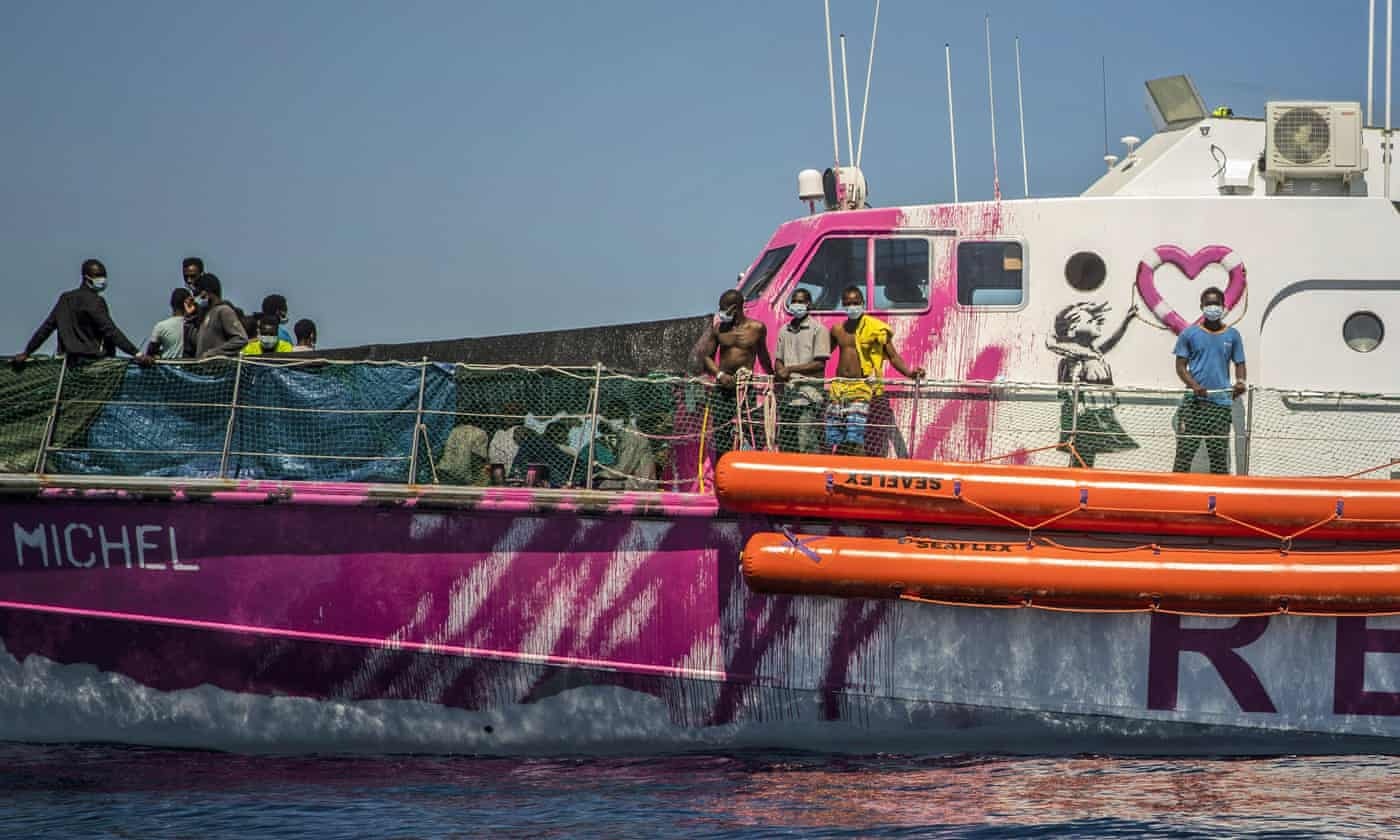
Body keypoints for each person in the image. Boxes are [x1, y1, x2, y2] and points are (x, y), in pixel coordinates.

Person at [827, 285, 923, 455]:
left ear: (863, 303)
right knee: (835, 436)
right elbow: (823, 355)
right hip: (838, 388)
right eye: (848, 303)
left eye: (856, 303)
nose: (852, 307)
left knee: (854, 435)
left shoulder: (875, 328)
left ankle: (857, 470)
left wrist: (909, 373)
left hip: (861, 388)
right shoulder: (837, 330)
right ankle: (840, 468)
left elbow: (893, 356)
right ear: (843, 304)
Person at [1047, 301, 1139, 467]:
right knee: (1082, 452)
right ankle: (1077, 484)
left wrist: (1126, 321)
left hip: (1098, 411)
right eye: (1090, 321)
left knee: (1087, 454)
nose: (1096, 323)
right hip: (1084, 414)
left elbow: (1112, 341)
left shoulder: (1093, 353)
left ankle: (1081, 482)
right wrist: (1078, 403)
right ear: (1073, 329)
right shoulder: (1076, 356)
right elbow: (1070, 383)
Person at [13, 259, 152, 367]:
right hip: (92, 363)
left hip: (66, 366)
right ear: (86, 277)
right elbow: (110, 330)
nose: (102, 280)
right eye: (98, 276)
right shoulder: (95, 301)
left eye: (104, 276)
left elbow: (46, 329)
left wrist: (27, 352)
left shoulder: (65, 299)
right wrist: (137, 353)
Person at [1171, 286, 1247, 474]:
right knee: (1184, 455)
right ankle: (1175, 496)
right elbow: (1180, 367)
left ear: (1223, 306)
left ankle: (1218, 499)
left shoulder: (1233, 335)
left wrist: (1240, 382)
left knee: (1219, 459)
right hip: (1194, 404)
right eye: (1208, 303)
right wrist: (1195, 386)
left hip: (1220, 405)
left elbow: (1240, 363)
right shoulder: (1189, 334)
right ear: (1201, 306)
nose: (1212, 307)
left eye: (1216, 303)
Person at [695, 289, 773, 455]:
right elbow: (707, 357)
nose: (720, 312)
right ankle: (722, 466)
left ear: (735, 308)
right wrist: (720, 375)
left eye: (723, 308)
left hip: (745, 389)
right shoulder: (718, 329)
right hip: (722, 389)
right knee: (721, 431)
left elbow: (764, 357)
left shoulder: (757, 328)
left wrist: (774, 378)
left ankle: (748, 470)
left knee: (747, 429)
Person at [774, 288, 830, 453]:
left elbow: (819, 364)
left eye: (800, 302)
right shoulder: (784, 330)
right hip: (788, 397)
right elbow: (778, 359)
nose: (796, 305)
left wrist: (789, 370)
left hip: (809, 397)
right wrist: (780, 371)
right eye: (794, 301)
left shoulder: (818, 330)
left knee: (806, 441)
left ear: (808, 304)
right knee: (786, 442)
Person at [192, 273, 249, 358]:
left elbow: (241, 339)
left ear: (205, 292)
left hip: (220, 368)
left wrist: (214, 353)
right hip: (203, 368)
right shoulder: (205, 314)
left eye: (197, 293)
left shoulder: (223, 311)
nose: (195, 298)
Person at [147, 288, 194, 359]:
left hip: (168, 368)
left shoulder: (161, 326)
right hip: (190, 368)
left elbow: (150, 352)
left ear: (171, 304)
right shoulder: (194, 325)